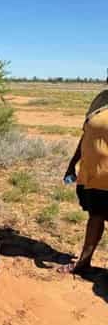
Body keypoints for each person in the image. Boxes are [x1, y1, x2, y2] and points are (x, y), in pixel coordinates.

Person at [59, 90, 108, 273]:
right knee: (95, 216)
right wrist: (72, 164)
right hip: (94, 175)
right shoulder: (101, 99)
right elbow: (86, 136)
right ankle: (83, 262)